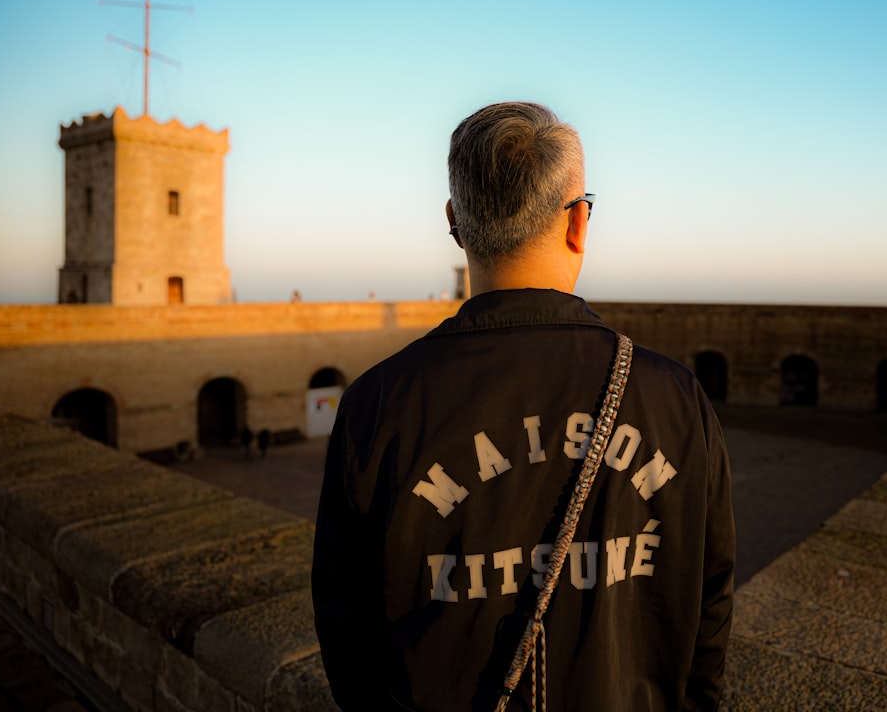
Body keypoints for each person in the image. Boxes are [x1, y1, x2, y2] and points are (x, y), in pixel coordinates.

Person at [312, 101, 735, 711]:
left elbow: (347, 635)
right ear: (578, 223)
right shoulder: (674, 397)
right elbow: (709, 604)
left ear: (457, 222)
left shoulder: (378, 405)